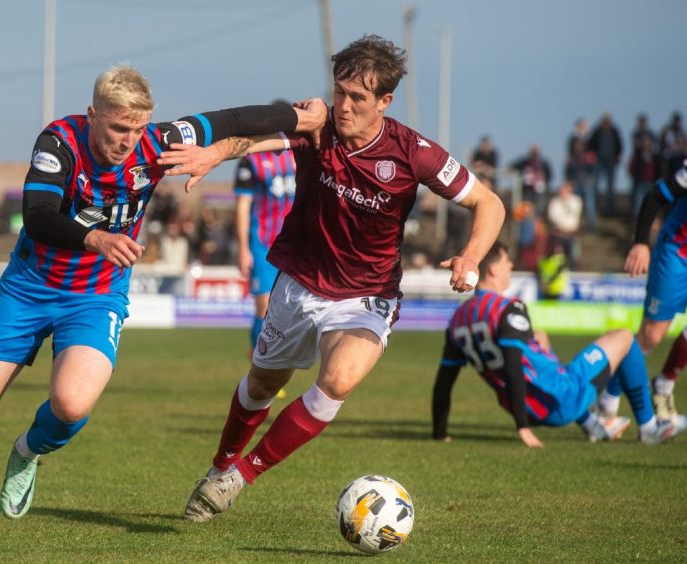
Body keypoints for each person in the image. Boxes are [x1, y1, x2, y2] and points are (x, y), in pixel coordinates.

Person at [0, 64, 327, 530]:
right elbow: (38, 215)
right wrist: (95, 240)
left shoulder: (158, 140)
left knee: (71, 406)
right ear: (92, 114)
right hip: (29, 286)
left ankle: (28, 450)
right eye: (117, 128)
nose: (128, 140)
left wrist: (300, 117)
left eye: (137, 128)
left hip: (96, 292)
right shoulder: (59, 142)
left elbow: (230, 120)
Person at [158, 34, 506, 522]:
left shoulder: (414, 153)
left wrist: (471, 256)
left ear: (384, 102)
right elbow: (254, 139)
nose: (343, 106)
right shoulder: (317, 127)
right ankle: (220, 466)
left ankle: (241, 477)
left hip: (366, 295)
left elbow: (488, 203)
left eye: (357, 98)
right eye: (339, 91)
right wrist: (215, 154)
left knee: (338, 379)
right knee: (261, 383)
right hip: (298, 282)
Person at [432, 243, 687, 447]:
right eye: (507, 261)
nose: (511, 265)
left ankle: (593, 425)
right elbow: (513, 367)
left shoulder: (459, 318)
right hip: (560, 401)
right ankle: (648, 427)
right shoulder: (508, 309)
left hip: (526, 406)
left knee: (539, 336)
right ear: (493, 270)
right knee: (623, 337)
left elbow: (444, 381)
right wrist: (523, 428)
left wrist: (439, 432)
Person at [603, 160, 687, 422]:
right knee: (651, 336)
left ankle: (662, 388)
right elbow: (655, 196)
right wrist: (641, 243)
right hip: (676, 255)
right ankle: (607, 400)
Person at [233, 100, 297, 354]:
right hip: (262, 244)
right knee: (264, 307)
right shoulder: (252, 160)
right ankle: (258, 369)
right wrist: (243, 248)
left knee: (287, 311)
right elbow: (242, 207)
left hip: (294, 244)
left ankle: (270, 365)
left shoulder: (299, 157)